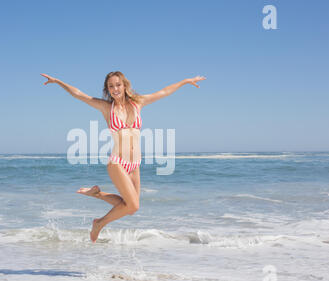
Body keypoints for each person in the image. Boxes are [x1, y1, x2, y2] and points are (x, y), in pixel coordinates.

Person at [40, 71, 206, 242]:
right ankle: (99, 224)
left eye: (118, 85)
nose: (115, 89)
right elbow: (80, 95)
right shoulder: (106, 107)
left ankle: (97, 194)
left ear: (125, 85)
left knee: (132, 208)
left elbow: (163, 92)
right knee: (132, 204)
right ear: (107, 90)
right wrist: (58, 81)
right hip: (117, 162)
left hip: (135, 164)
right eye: (111, 86)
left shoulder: (138, 103)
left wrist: (185, 81)